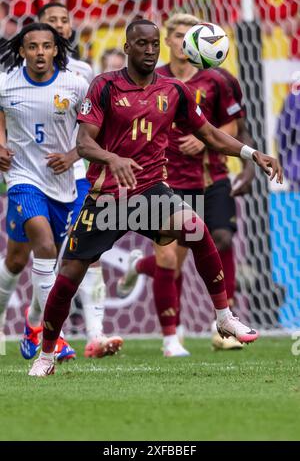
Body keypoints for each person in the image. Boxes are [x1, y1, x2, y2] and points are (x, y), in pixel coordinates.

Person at [28, 19, 282, 377]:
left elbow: (209, 133)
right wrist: (112, 159)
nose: (149, 50)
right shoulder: (104, 86)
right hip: (106, 198)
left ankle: (224, 317)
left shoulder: (174, 90)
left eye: (153, 44)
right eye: (142, 44)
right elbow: (84, 142)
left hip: (149, 191)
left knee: (196, 228)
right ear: (128, 47)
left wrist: (252, 154)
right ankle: (47, 353)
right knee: (68, 277)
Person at [117, 13, 254, 354]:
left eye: (185, 36)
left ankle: (222, 327)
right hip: (166, 180)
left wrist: (206, 141)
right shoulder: (154, 78)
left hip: (212, 177)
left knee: (222, 239)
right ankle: (170, 336)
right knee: (169, 258)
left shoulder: (218, 79)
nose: (180, 42)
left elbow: (232, 125)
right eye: (175, 36)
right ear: (169, 42)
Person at [38, 1, 123, 359]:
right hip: (33, 176)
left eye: (64, 20)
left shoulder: (83, 71)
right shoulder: (14, 73)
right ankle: (34, 327)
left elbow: (96, 124)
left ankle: (95, 335)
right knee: (27, 257)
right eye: (51, 21)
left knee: (89, 252)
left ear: (70, 29)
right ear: (37, 30)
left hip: (79, 175)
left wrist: (78, 157)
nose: (59, 25)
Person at [0, 22, 88, 361]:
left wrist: (72, 155)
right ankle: (57, 337)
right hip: (22, 178)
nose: (40, 52)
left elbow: (95, 132)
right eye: (32, 46)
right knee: (44, 245)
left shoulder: (76, 85)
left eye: (46, 46)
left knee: (54, 261)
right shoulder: (7, 84)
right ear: (21, 51)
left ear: (56, 49)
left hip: (64, 185)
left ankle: (34, 323)